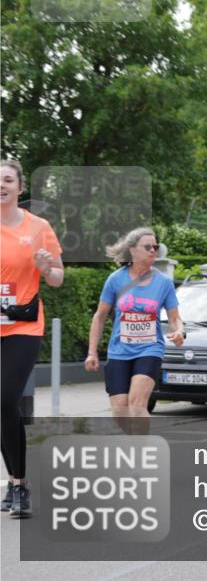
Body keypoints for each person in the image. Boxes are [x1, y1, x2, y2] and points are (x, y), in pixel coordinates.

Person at [0, 160, 64, 518]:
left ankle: (21, 484)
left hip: (22, 326)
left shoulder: (38, 227)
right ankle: (13, 482)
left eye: (7, 180)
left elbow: (57, 278)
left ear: (19, 187)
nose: (1, 186)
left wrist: (45, 268)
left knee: (6, 398)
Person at [84, 228, 184, 435]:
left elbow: (174, 317)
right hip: (119, 351)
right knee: (120, 411)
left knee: (137, 405)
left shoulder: (163, 282)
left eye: (155, 247)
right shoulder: (115, 279)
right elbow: (100, 316)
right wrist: (92, 352)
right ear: (132, 250)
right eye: (147, 247)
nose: (153, 251)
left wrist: (179, 331)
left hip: (149, 349)